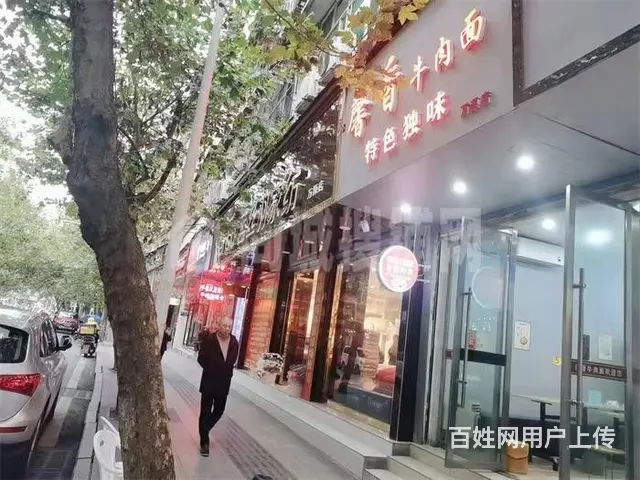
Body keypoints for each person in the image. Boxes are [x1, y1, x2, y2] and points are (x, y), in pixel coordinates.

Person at [197, 317, 238, 456]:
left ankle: (204, 429)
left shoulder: (234, 343)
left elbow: (232, 361)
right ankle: (204, 442)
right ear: (219, 325)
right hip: (209, 381)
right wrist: (211, 369)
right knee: (205, 411)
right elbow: (201, 358)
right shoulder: (209, 340)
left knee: (219, 410)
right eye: (224, 325)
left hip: (224, 383)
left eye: (229, 326)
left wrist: (225, 373)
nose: (227, 329)